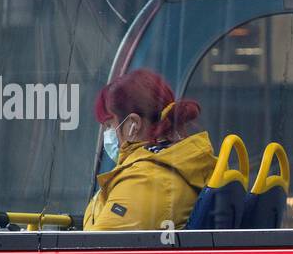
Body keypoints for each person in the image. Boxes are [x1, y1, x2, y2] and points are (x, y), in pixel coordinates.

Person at [84, 69, 216, 231]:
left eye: (109, 125)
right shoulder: (177, 162)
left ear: (133, 124)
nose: (107, 134)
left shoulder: (143, 179)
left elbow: (94, 248)